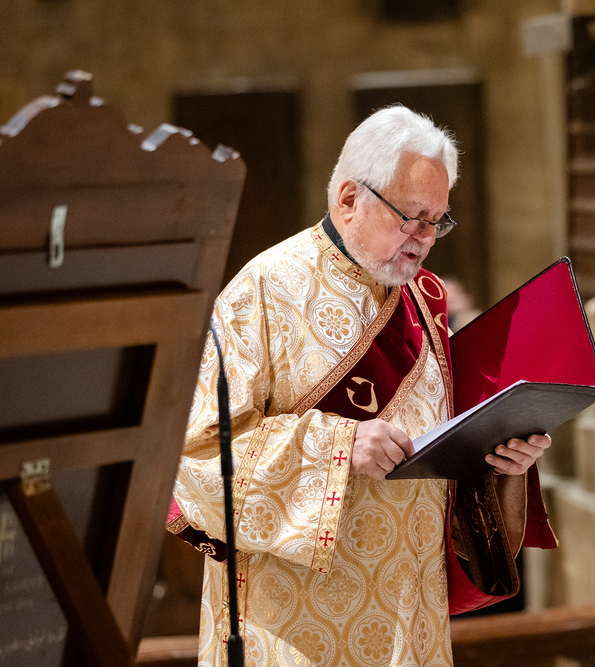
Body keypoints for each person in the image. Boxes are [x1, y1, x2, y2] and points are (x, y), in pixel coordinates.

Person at [168, 105, 556, 667]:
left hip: (410, 617)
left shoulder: (423, 300)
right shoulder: (263, 292)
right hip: (294, 628)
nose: (425, 239)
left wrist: (501, 461)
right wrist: (340, 445)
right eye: (412, 217)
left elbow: (446, 454)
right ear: (349, 199)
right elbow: (196, 453)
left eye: (437, 221)